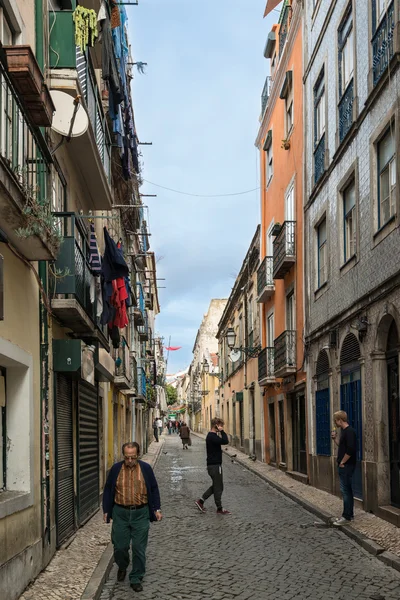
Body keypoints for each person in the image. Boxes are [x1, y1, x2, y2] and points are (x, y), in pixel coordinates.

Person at [103, 442, 162, 592]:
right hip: (120, 513)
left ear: (138, 455)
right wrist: (106, 511)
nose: (130, 460)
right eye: (127, 457)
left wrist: (157, 509)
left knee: (138, 548)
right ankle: (122, 565)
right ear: (124, 456)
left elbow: (154, 489)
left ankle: (136, 577)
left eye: (133, 457)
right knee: (120, 546)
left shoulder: (146, 469)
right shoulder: (116, 469)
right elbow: (109, 489)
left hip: (140, 513)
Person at [195, 417, 230, 515]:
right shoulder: (212, 436)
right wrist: (222, 432)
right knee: (218, 487)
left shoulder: (211, 436)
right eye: (221, 425)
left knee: (216, 485)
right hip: (215, 466)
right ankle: (219, 508)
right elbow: (225, 441)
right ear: (216, 425)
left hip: (213, 465)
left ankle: (201, 501)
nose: (222, 427)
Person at [331, 410, 357, 526]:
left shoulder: (349, 432)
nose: (335, 423)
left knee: (345, 491)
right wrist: (335, 439)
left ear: (340, 420)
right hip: (345, 465)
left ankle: (346, 517)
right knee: (347, 490)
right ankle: (349, 514)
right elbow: (342, 447)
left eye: (335, 420)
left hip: (346, 465)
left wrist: (342, 462)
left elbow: (351, 449)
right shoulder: (344, 432)